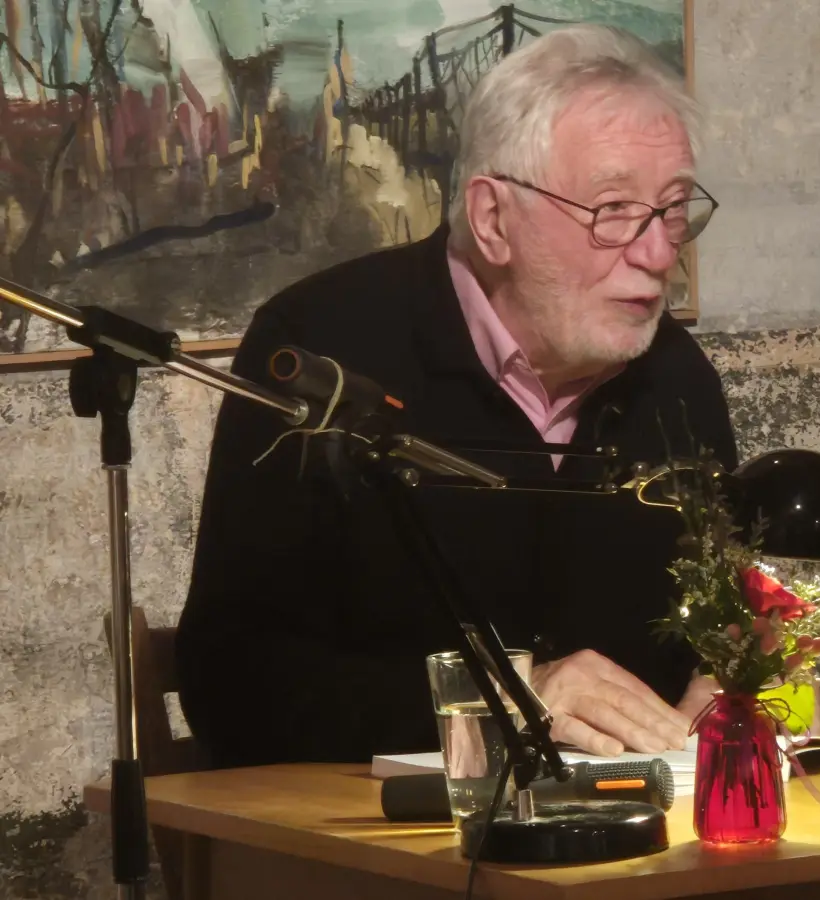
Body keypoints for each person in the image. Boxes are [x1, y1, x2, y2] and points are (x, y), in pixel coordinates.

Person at [174, 24, 734, 769]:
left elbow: (715, 636)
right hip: (375, 857)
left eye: (671, 210)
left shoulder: (677, 381)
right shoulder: (321, 355)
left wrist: (734, 688)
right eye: (613, 212)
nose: (662, 252)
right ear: (493, 219)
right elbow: (233, 685)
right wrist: (504, 700)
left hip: (638, 853)